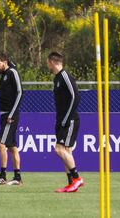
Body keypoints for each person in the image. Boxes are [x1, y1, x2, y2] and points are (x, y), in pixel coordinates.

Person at [47, 52, 84, 193]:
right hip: (61, 120)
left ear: (52, 62)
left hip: (69, 120)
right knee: (67, 151)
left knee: (59, 149)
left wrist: (66, 118)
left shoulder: (65, 76)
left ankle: (77, 178)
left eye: (48, 62)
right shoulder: (56, 79)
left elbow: (76, 97)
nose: (48, 65)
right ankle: (71, 184)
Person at [0, 53, 23, 186]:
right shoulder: (4, 75)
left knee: (0, 143)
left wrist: (11, 114)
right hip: (5, 115)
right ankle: (17, 177)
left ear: (5, 62)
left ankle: (2, 176)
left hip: (10, 115)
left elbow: (20, 92)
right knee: (12, 147)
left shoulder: (12, 72)